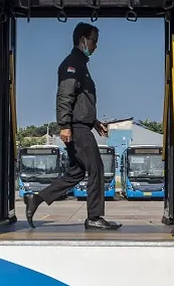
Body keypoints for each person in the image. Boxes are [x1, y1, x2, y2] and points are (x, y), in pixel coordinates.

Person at [23, 22, 122, 231]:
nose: (96, 46)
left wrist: (95, 122)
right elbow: (64, 96)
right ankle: (94, 216)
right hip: (76, 128)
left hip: (81, 125)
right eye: (94, 41)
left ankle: (36, 199)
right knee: (96, 167)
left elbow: (80, 101)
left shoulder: (81, 64)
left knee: (76, 173)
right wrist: (65, 125)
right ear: (83, 40)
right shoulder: (72, 64)